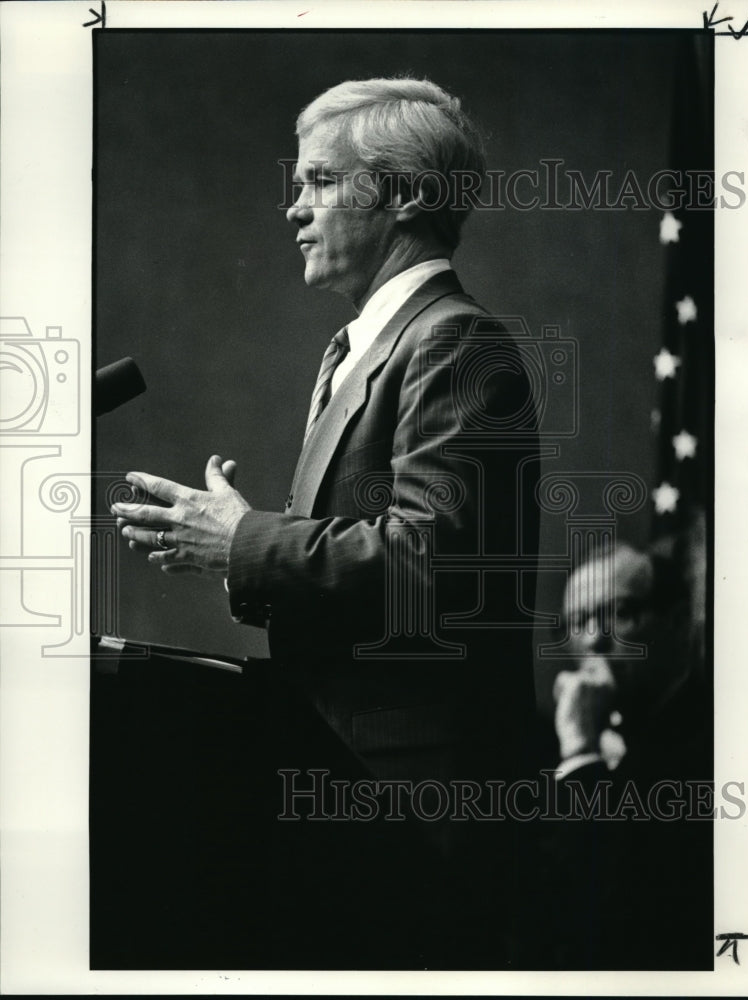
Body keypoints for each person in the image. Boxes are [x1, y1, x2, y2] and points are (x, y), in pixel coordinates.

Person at [112, 77, 540, 967]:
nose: (292, 209)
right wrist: (236, 553)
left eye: (317, 182)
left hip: (412, 807)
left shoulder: (454, 342)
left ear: (409, 196)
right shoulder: (362, 347)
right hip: (346, 789)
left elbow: (430, 571)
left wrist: (242, 541)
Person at [539, 536, 713, 969]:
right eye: (577, 622)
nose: (594, 640)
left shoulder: (711, 747)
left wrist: (579, 754)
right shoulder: (558, 744)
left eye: (619, 613)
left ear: (676, 621)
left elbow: (610, 918)